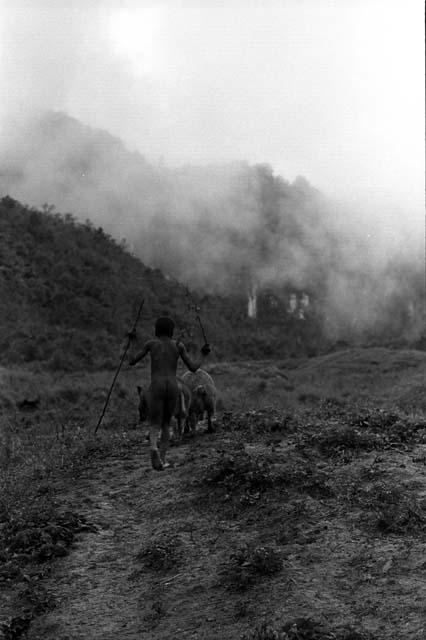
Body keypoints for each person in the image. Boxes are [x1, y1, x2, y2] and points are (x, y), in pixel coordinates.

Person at [129, 316, 211, 470]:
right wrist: (203, 354)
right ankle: (162, 459)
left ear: (157, 330)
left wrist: (132, 341)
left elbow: (132, 360)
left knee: (155, 423)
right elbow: (193, 367)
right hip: (173, 386)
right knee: (166, 423)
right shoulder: (178, 346)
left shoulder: (151, 344)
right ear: (172, 331)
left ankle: (153, 447)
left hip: (157, 385)